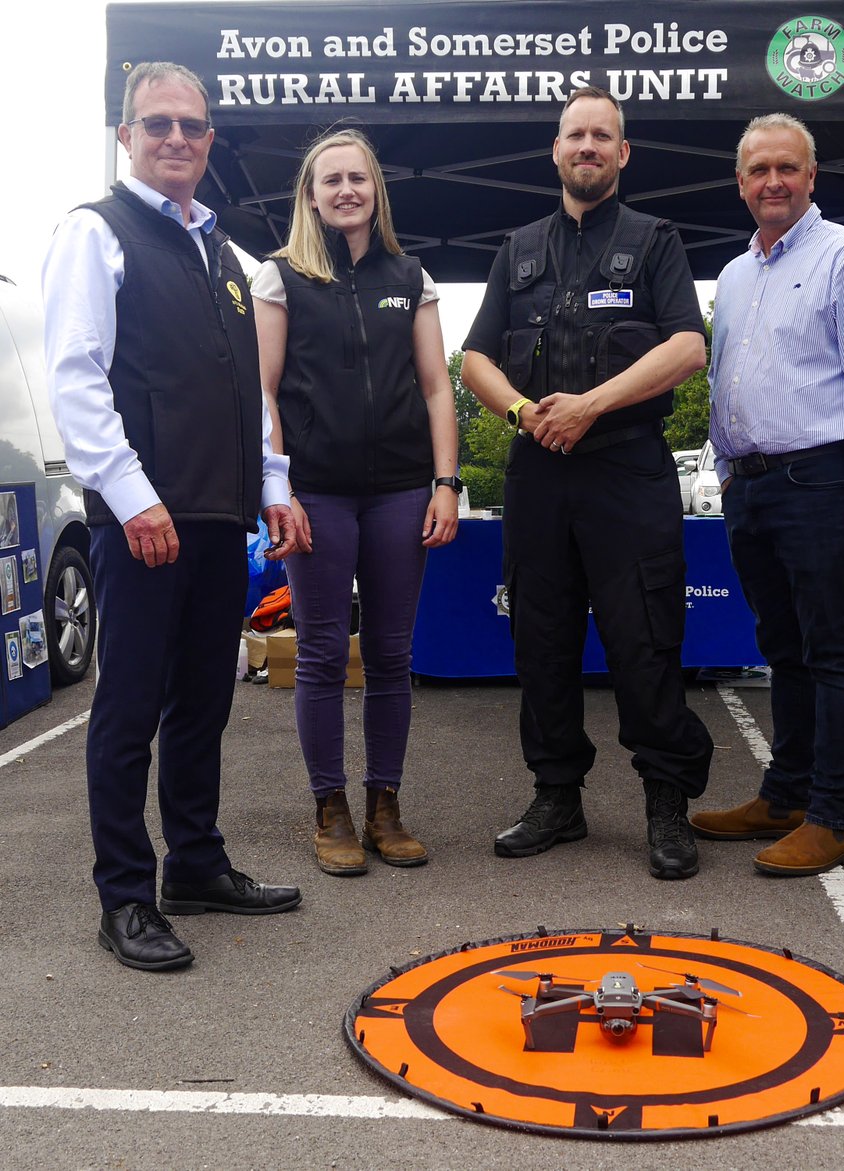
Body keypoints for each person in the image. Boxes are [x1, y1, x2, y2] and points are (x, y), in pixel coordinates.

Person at [42, 62, 302, 972]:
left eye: (192, 127)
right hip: (146, 520)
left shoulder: (226, 258)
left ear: (211, 140)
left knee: (204, 705)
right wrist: (132, 494)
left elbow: (250, 395)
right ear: (126, 135)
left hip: (219, 522)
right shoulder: (95, 232)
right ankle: (124, 895)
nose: (177, 140)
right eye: (157, 125)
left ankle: (195, 862)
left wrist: (273, 487)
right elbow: (76, 373)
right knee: (129, 712)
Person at [462, 87, 714, 880]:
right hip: (539, 468)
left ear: (622, 153)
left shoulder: (654, 241)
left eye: (603, 136)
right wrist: (526, 414)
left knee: (644, 638)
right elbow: (474, 360)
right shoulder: (519, 247)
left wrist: (592, 406)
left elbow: (687, 347)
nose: (589, 147)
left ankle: (667, 801)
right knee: (540, 639)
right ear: (556, 149)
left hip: (626, 464)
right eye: (576, 134)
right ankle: (557, 796)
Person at [688, 113, 844, 877]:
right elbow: (727, 380)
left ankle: (832, 816)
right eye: (758, 170)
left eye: (787, 168)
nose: (772, 182)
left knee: (832, 651)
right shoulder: (737, 273)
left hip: (820, 478)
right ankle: (784, 795)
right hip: (749, 487)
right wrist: (723, 472)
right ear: (741, 182)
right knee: (782, 649)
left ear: (811, 177)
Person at [253, 128, 459, 876]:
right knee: (318, 653)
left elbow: (438, 387)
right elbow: (264, 391)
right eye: (330, 179)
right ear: (310, 195)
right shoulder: (280, 278)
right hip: (317, 493)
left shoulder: (412, 273)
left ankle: (386, 806)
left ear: (377, 190)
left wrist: (446, 482)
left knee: (393, 656)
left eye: (358, 179)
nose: (345, 190)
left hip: (402, 489)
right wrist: (279, 488)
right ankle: (330, 808)